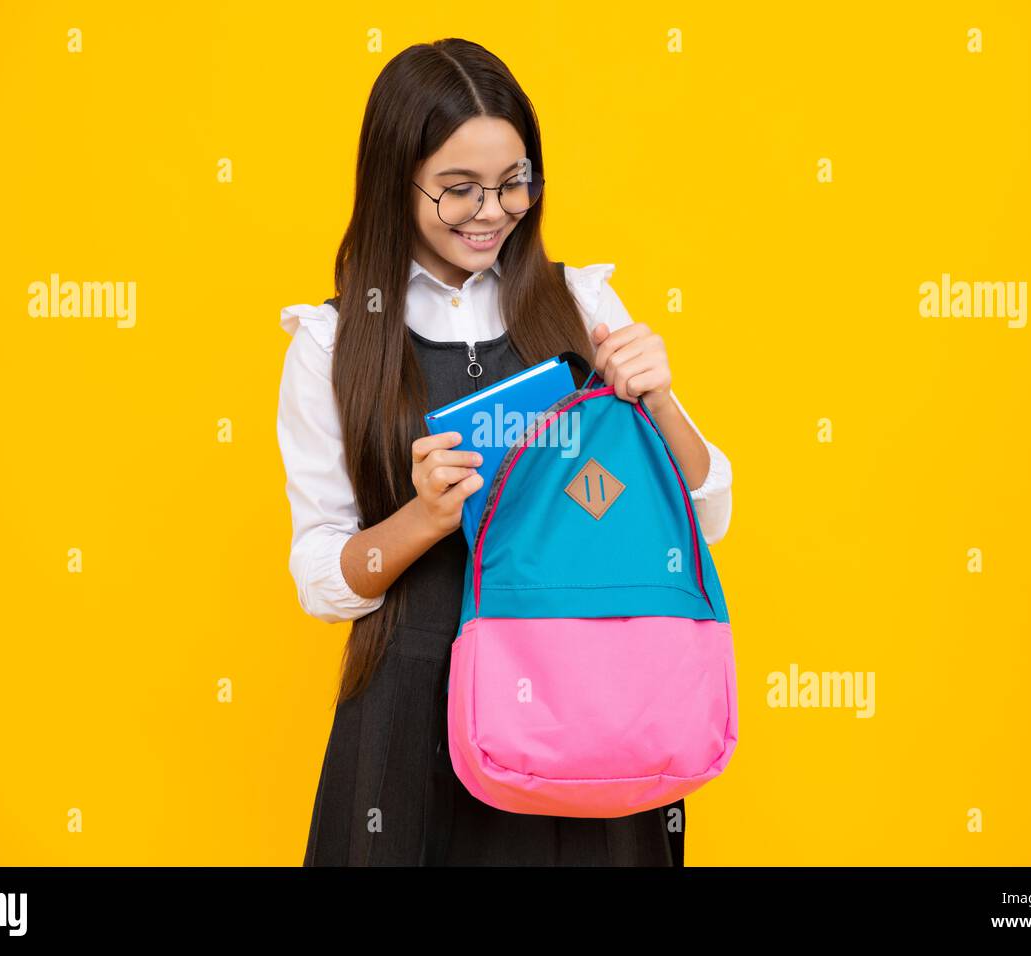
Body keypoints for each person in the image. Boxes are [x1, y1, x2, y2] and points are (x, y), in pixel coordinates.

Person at [276, 37, 733, 865]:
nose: (492, 212)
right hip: (414, 714)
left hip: (581, 702)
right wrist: (421, 518)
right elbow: (321, 580)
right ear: (395, 182)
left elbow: (708, 513)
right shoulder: (333, 342)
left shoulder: (578, 302)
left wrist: (659, 401)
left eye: (514, 182)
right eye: (459, 191)